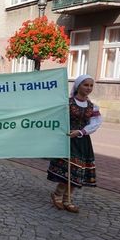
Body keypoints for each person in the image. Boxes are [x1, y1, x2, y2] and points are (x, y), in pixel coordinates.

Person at [47, 74, 102, 213]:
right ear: (78, 86)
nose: (89, 88)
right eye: (86, 85)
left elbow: (96, 123)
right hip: (66, 139)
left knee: (77, 171)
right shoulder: (67, 102)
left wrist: (81, 132)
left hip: (82, 141)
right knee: (69, 170)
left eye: (91, 85)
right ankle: (58, 195)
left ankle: (68, 199)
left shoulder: (92, 107)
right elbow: (57, 118)